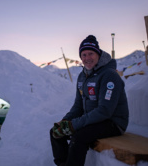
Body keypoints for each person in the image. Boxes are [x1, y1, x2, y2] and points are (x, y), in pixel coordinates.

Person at [50, 35, 129, 166]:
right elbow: (78, 106)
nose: (87, 58)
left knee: (79, 137)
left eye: (91, 54)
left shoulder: (109, 75)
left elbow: (105, 111)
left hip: (113, 123)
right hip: (93, 120)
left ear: (98, 55)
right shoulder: (83, 76)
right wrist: (64, 122)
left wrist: (74, 125)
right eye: (84, 55)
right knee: (55, 132)